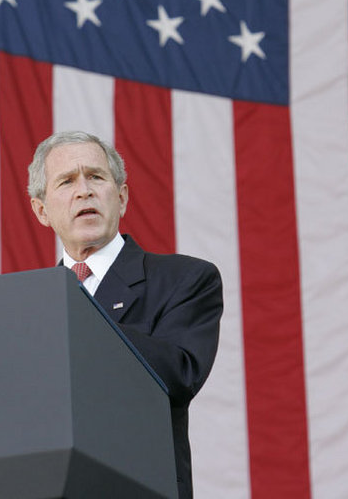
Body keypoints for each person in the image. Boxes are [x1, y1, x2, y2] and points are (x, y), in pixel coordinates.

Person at [28, 130, 223, 499]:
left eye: (96, 177)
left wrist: (76, 314)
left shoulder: (186, 279)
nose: (84, 190)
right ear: (42, 210)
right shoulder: (30, 306)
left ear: (121, 197)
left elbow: (179, 376)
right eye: (67, 181)